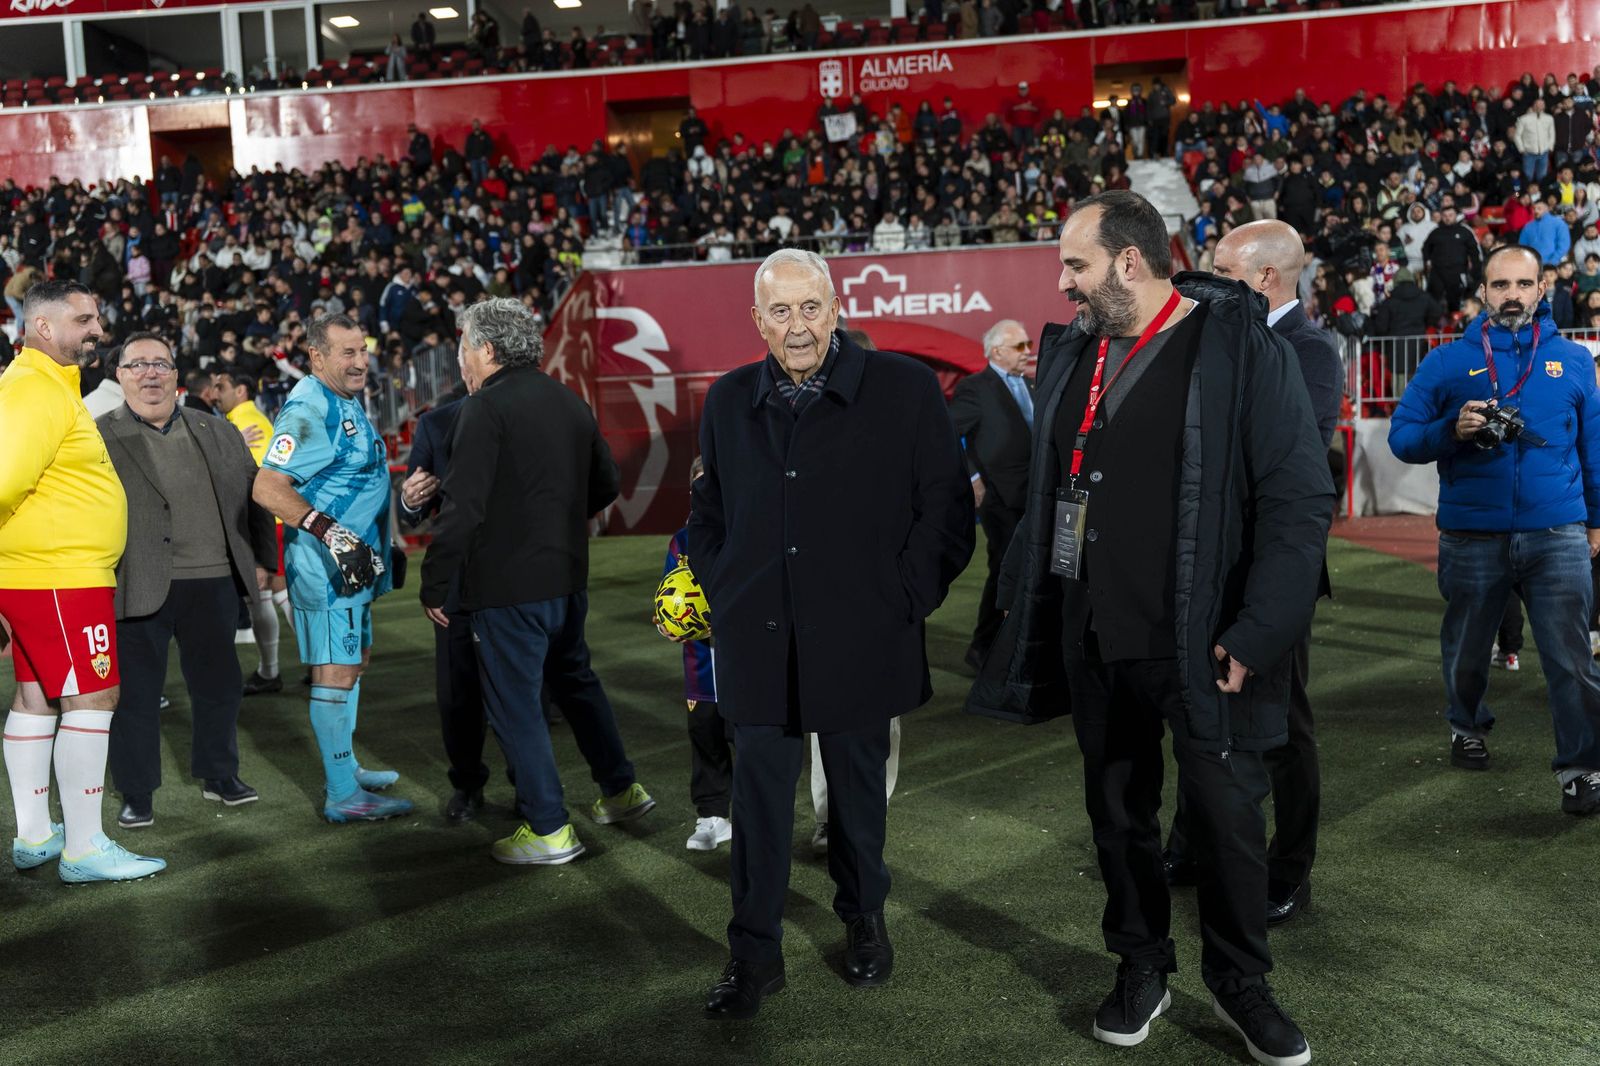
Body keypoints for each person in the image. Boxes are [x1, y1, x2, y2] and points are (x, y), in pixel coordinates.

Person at [967, 192, 1331, 1063]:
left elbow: (1297, 497)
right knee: (1117, 817)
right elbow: (1055, 489)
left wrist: (1256, 632)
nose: (1064, 284)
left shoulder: (1242, 346)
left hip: (1206, 643)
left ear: (1131, 263)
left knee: (1227, 824)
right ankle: (1141, 966)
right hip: (1096, 637)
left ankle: (1242, 983)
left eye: (1076, 266)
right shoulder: (1076, 353)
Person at [690, 249, 973, 1019]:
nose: (797, 326)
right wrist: (724, 586)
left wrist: (902, 598)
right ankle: (753, 953)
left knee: (856, 803)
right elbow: (709, 514)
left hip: (863, 636)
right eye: (779, 312)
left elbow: (945, 513)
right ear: (758, 322)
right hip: (757, 640)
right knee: (756, 809)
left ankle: (864, 922)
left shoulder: (905, 389)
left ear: (837, 308)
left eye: (810, 307)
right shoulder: (726, 401)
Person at [420, 298, 654, 863]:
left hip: (505, 587)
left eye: (464, 349)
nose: (461, 364)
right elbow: (605, 484)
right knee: (577, 683)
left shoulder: (483, 409)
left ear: (488, 350)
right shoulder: (568, 400)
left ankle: (549, 828)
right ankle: (620, 789)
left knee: (516, 706)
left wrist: (435, 580)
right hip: (567, 578)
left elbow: (463, 508)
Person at [1163, 220, 1342, 928]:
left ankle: (1290, 870)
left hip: (1273, 572)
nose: (1207, 281)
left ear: (1265, 277)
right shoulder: (1231, 340)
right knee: (1199, 705)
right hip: (1213, 563)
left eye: (1222, 269)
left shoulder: (1308, 350)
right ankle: (1188, 842)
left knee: (1286, 729)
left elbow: (1290, 469)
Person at [1389, 244, 1600, 815]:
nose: (1512, 295)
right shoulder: (1445, 362)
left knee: (1572, 658)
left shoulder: (1575, 361)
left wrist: (1597, 521)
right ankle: (1466, 724)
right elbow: (1402, 438)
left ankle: (1582, 769)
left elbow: (1594, 449)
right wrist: (1451, 431)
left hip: (1557, 532)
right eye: (1500, 285)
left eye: (1523, 284)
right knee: (1466, 651)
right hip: (1471, 534)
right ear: (1482, 292)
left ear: (1542, 289)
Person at [0, 280, 165, 882]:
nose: (98, 329)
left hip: (42, 573)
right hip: (58, 576)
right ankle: (86, 846)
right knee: (93, 698)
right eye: (85, 319)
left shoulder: (42, 386)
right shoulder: (35, 389)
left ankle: (37, 835)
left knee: (37, 697)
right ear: (44, 327)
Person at [97, 334, 276, 829]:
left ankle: (220, 775)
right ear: (120, 375)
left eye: (161, 364)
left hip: (213, 580)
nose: (150, 373)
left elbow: (254, 491)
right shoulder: (95, 434)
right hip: (136, 584)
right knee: (133, 698)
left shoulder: (217, 429)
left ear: (177, 375)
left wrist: (264, 560)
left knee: (219, 688)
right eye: (138, 365)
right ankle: (137, 792)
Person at [252, 314, 413, 824]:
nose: (361, 360)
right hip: (326, 569)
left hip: (358, 565)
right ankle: (342, 793)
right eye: (348, 352)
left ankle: (348, 766)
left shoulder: (342, 400)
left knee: (355, 663)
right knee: (335, 671)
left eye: (362, 350)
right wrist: (331, 532)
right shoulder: (309, 406)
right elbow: (267, 487)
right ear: (316, 357)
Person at [398, 382, 497, 823]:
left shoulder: (524, 412)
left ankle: (532, 788)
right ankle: (468, 784)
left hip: (518, 572)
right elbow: (414, 499)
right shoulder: (436, 423)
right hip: (456, 578)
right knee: (457, 694)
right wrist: (409, 498)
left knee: (522, 688)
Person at [657, 456, 733, 852]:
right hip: (701, 667)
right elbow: (669, 592)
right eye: (697, 485)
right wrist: (668, 620)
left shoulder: (745, 530)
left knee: (752, 740)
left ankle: (756, 814)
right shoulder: (682, 540)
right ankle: (712, 816)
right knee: (705, 736)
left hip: (746, 662)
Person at [950, 319, 1035, 670]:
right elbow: (948, 433)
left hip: (1036, 495)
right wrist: (972, 477)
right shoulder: (974, 387)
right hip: (1000, 499)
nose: (1028, 351)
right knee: (1004, 570)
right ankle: (983, 647)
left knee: (1033, 572)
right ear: (997, 351)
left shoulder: (1033, 383)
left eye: (1028, 344)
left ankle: (1022, 645)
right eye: (1020, 346)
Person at [214, 368, 288, 696]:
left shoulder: (246, 424)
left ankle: (274, 671)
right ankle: (299, 667)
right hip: (272, 523)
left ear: (241, 390)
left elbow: (254, 482)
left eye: (223, 386)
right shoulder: (251, 420)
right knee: (278, 596)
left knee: (265, 596)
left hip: (262, 525)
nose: (217, 393)